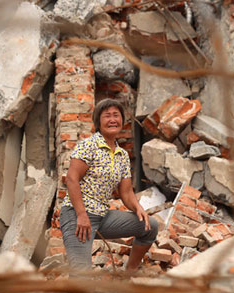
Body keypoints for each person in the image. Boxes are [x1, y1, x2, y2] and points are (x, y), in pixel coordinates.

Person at [59, 98, 159, 274]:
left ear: (122, 120)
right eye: (107, 116)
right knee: (81, 275)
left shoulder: (122, 155)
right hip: (77, 216)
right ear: (98, 122)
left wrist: (138, 208)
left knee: (149, 225)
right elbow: (72, 179)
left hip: (103, 217)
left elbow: (126, 192)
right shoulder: (89, 145)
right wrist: (81, 215)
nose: (112, 119)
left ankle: (128, 273)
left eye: (116, 115)